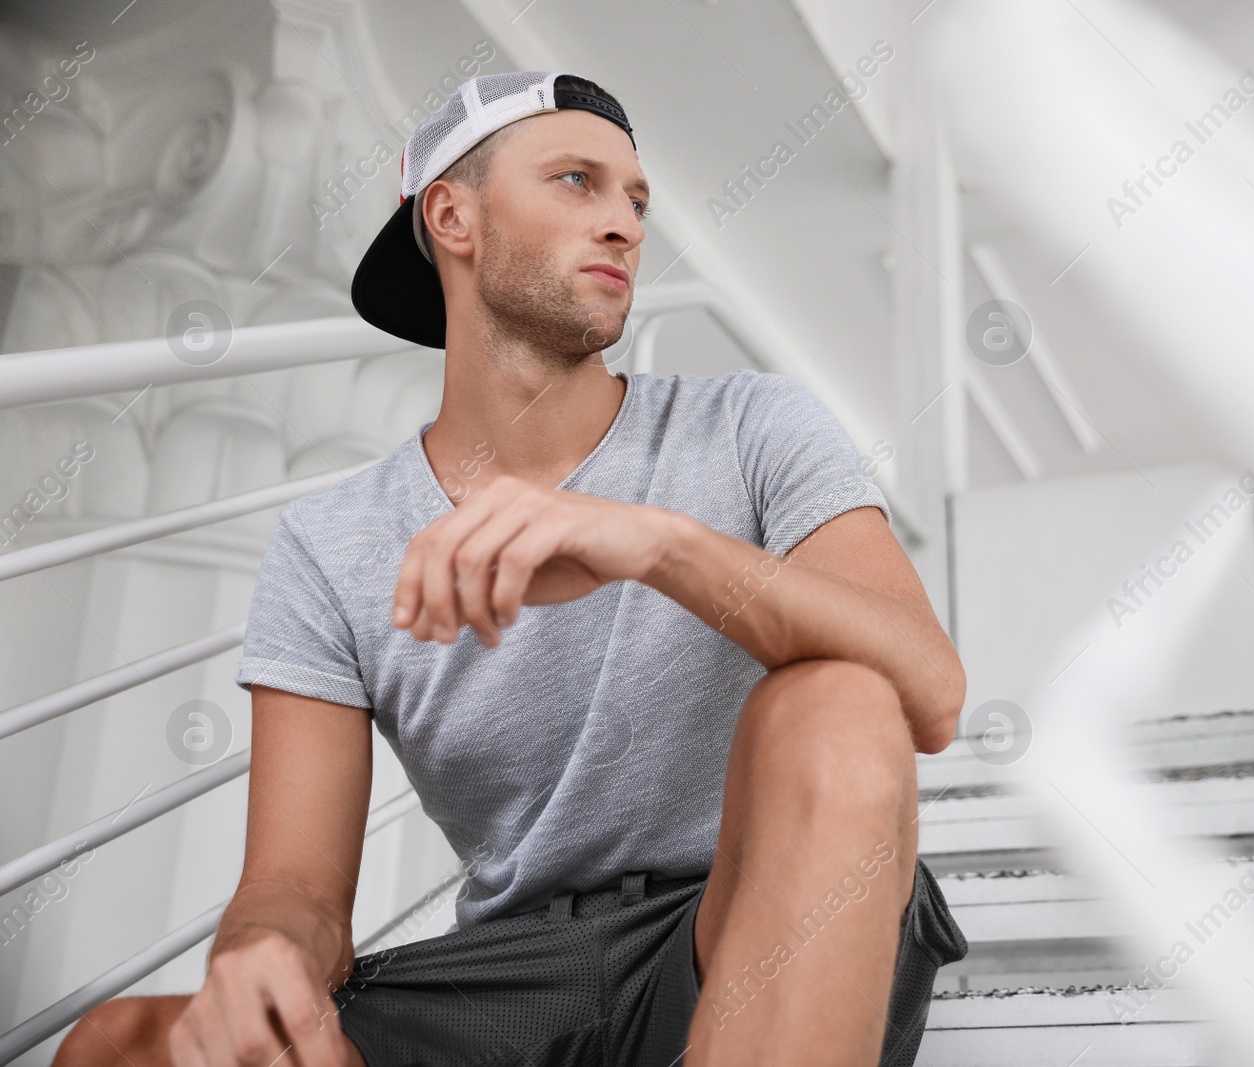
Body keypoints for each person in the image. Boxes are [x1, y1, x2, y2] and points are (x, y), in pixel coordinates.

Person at [55, 70, 967, 1067]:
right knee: (120, 1045)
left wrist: (659, 544)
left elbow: (928, 689)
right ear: (453, 214)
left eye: (635, 198)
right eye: (578, 181)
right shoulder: (331, 542)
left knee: (838, 701)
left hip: (746, 925)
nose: (623, 222)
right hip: (515, 978)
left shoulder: (753, 425)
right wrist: (255, 954)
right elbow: (299, 891)